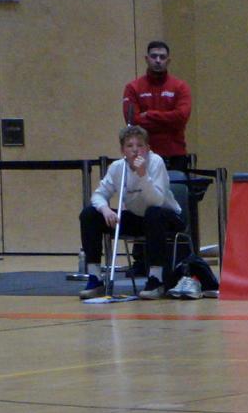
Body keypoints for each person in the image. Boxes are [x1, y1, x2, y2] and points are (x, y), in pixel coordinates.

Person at [78, 125, 193, 300]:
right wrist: (105, 209)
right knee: (89, 214)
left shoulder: (156, 162)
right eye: (129, 146)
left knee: (153, 213)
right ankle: (95, 278)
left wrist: (143, 175)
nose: (135, 150)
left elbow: (156, 201)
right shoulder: (117, 167)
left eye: (139, 145)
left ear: (147, 148)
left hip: (166, 217)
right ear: (122, 150)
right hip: (138, 218)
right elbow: (99, 195)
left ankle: (156, 279)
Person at [122, 40, 192, 173]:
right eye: (154, 56)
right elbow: (133, 122)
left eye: (162, 57)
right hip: (143, 156)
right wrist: (169, 120)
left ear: (168, 61)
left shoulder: (181, 87)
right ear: (146, 59)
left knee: (176, 187)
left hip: (175, 156)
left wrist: (149, 115)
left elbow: (181, 118)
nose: (158, 60)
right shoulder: (133, 88)